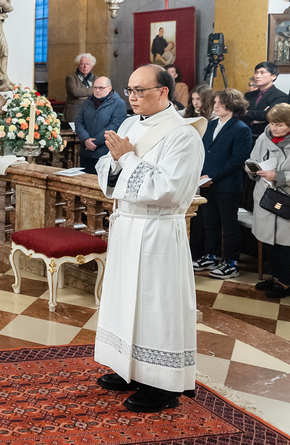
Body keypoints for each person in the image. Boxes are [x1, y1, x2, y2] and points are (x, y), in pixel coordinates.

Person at [94, 65, 206, 413]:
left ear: (163, 91)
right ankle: (128, 368)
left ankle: (161, 385)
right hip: (127, 227)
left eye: (139, 90)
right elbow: (106, 167)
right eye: (129, 90)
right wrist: (116, 163)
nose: (132, 97)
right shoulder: (129, 125)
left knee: (155, 306)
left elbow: (169, 190)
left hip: (157, 232)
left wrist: (127, 158)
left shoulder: (183, 135)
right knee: (125, 300)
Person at [190, 89, 253, 279]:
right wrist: (201, 175)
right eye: (215, 102)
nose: (215, 106)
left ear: (231, 104)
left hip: (227, 185)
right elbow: (202, 152)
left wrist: (212, 176)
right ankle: (210, 255)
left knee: (229, 225)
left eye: (220, 102)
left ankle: (231, 263)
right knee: (210, 222)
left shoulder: (241, 128)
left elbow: (236, 160)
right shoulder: (210, 125)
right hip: (207, 183)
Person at [246, 103, 290, 299]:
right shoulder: (263, 138)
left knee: (285, 245)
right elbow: (252, 158)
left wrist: (278, 176)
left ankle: (286, 282)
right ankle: (276, 277)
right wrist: (252, 169)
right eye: (272, 123)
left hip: (286, 199)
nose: (275, 128)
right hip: (265, 196)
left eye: (280, 125)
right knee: (269, 241)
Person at [73, 76, 126, 174]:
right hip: (86, 152)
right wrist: (85, 140)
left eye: (101, 88)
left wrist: (94, 143)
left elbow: (114, 126)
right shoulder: (87, 102)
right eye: (95, 87)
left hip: (105, 152)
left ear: (109, 88)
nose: (97, 90)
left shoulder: (119, 103)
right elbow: (79, 122)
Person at [244, 61, 289, 140]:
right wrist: (257, 116)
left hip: (266, 137)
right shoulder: (248, 95)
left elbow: (268, 116)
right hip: (245, 135)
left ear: (273, 76)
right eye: (256, 72)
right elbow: (238, 114)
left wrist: (247, 113)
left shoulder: (281, 96)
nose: (257, 76)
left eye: (262, 73)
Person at [64, 53, 96, 123]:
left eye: (87, 64)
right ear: (78, 65)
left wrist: (83, 95)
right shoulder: (71, 77)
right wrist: (93, 92)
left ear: (91, 66)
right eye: (82, 64)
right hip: (75, 113)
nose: (85, 66)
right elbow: (75, 92)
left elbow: (102, 93)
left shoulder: (97, 79)